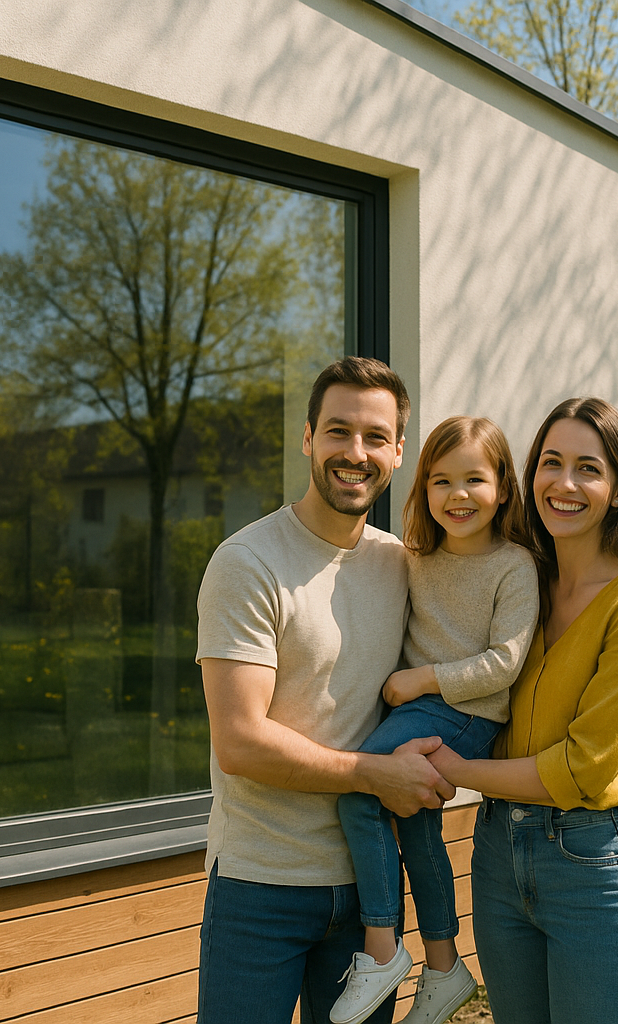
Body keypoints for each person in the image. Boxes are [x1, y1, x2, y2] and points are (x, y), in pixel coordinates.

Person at [426, 397, 618, 1024]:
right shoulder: (521, 579)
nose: (566, 483)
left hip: (593, 865)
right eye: (551, 463)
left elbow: (582, 767)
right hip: (497, 854)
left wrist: (450, 766)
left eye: (589, 468)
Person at [196, 356, 455, 1024]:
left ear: (399, 451)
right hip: (262, 886)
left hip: (370, 899)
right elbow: (241, 743)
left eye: (375, 437)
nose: (355, 453)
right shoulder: (248, 563)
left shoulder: (403, 565)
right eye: (338, 432)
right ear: (308, 437)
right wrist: (378, 777)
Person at [329, 416, 537, 1024]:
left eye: (474, 478)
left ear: (502, 487)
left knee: (361, 796)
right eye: (441, 481)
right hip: (421, 710)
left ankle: (382, 947)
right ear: (422, 490)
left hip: (466, 716)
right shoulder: (417, 558)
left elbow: (505, 663)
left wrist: (421, 679)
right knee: (416, 827)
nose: (458, 494)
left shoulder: (514, 565)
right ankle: (444, 967)